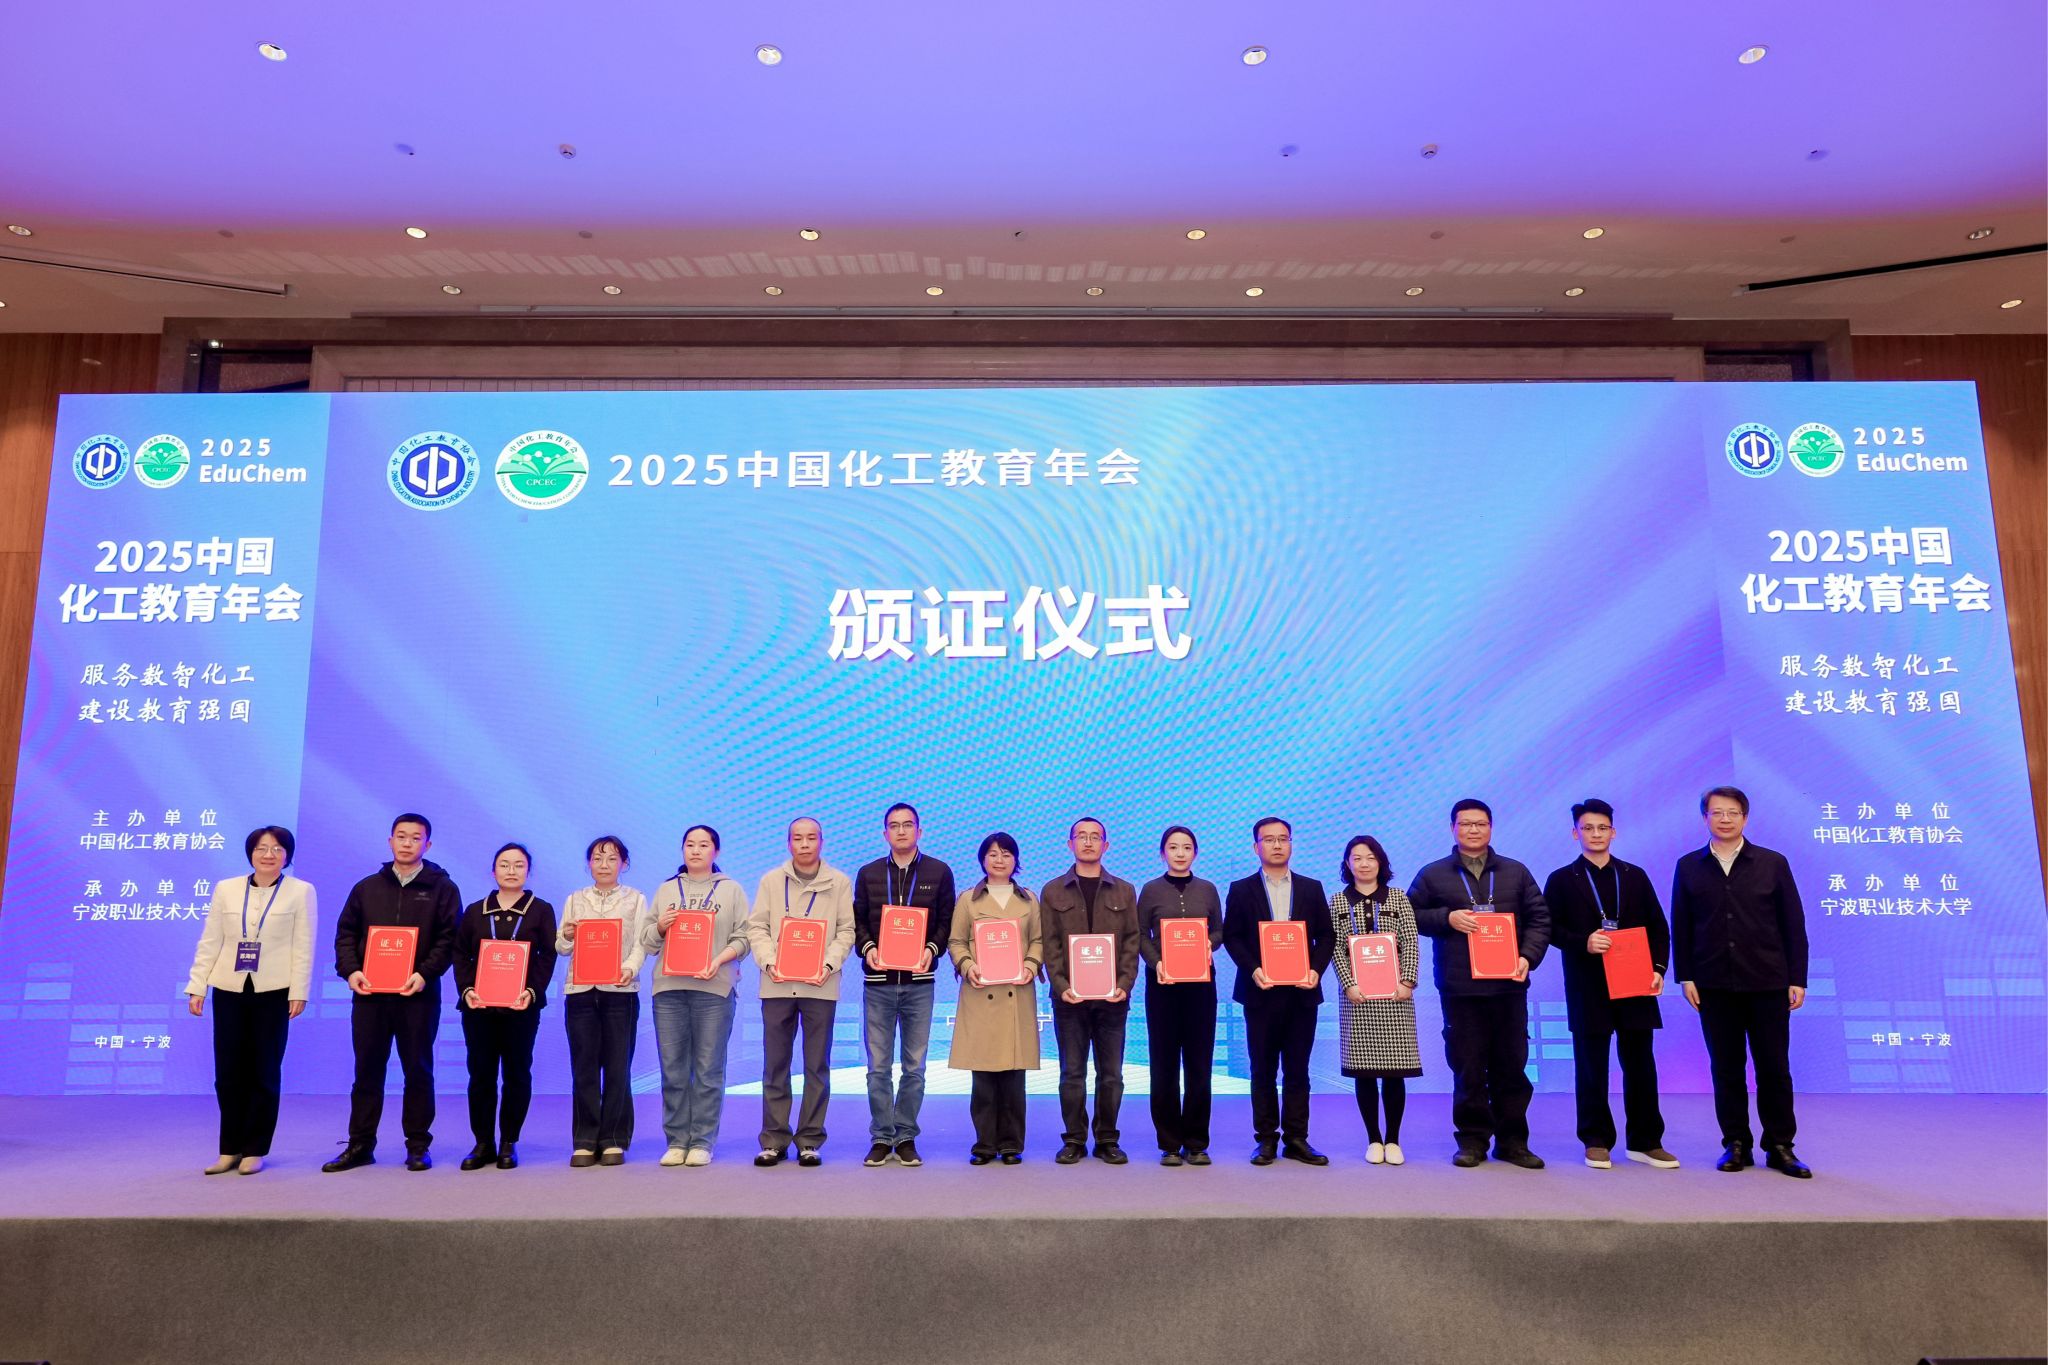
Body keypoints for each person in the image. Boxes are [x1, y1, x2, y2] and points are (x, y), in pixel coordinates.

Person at [1672, 786, 1812, 1178]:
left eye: (1733, 812)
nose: (1725, 819)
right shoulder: (1689, 866)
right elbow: (1681, 924)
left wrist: (1797, 978)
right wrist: (1686, 975)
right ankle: (1736, 1143)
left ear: (1745, 818)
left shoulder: (1772, 863)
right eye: (1717, 812)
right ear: (1705, 818)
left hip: (1768, 982)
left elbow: (1793, 924)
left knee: (1774, 1068)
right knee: (1726, 1068)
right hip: (1713, 984)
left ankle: (1780, 1146)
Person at [1410, 799, 1551, 1169]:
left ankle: (1513, 1142)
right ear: (1453, 828)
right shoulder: (1433, 874)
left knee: (1512, 1067)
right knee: (1468, 1067)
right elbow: (1409, 915)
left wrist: (1527, 957)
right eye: (1466, 823)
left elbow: (1540, 918)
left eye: (1481, 824)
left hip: (1508, 986)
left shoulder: (1516, 872)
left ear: (1491, 827)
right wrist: (1446, 918)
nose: (1473, 830)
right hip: (1460, 988)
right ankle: (1472, 1141)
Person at [1542, 799, 1678, 1171]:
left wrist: (1658, 969)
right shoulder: (1561, 879)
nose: (1596, 834)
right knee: (1591, 1066)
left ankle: (1646, 1141)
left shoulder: (1634, 875)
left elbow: (1658, 927)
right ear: (1575, 834)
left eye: (1603, 828)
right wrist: (1582, 942)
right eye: (1587, 828)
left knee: (1640, 1064)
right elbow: (1548, 928)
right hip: (1587, 985)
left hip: (1635, 982)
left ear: (1613, 832)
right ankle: (1596, 1140)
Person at [325, 812, 462, 1172]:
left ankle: (418, 1146)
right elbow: (346, 934)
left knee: (418, 1070)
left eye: (416, 838)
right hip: (369, 995)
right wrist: (351, 971)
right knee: (367, 1071)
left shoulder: (443, 889)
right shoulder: (367, 887)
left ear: (427, 845)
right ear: (390, 841)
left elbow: (450, 939)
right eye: (401, 836)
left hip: (418, 995)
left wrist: (424, 973)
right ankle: (360, 1145)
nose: (407, 843)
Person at [185, 825, 315, 1175]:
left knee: (264, 1070)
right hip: (228, 989)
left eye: (277, 848)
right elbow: (210, 940)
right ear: (250, 853)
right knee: (227, 1072)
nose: (268, 854)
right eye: (261, 848)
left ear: (287, 855)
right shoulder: (226, 889)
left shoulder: (301, 891)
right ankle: (229, 1148)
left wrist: (299, 990)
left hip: (274, 990)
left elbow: (304, 945)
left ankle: (255, 1149)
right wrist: (198, 985)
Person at [850, 802, 958, 1168]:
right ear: (885, 834)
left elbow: (946, 920)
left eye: (907, 825)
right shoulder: (868, 873)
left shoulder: (939, 871)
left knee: (915, 1067)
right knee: (877, 1067)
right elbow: (858, 920)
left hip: (919, 983)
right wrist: (869, 948)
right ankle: (882, 1137)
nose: (901, 831)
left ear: (919, 831)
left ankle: (906, 1135)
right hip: (878, 982)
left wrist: (931, 949)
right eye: (894, 826)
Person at [1222, 817, 1333, 1166]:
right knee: (1262, 1069)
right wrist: (1253, 969)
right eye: (1268, 840)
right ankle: (1266, 1139)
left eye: (1283, 839)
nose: (1277, 845)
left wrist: (1315, 970)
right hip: (1260, 991)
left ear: (1291, 844)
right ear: (1256, 847)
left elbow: (1326, 935)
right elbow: (1232, 936)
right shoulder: (1241, 889)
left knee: (1298, 1070)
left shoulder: (1311, 888)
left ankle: (1297, 1139)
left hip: (1302, 992)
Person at [747, 817, 856, 1166]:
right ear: (789, 843)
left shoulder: (839, 882)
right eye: (798, 838)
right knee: (775, 1065)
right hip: (777, 984)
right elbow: (757, 927)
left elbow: (847, 930)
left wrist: (828, 965)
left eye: (811, 838)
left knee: (816, 1066)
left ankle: (810, 1140)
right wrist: (769, 962)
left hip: (820, 986)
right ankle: (774, 1139)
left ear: (822, 842)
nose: (805, 844)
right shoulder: (770, 881)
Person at [641, 825, 749, 1167]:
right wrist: (661, 926)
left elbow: (744, 938)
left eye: (704, 845)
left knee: (708, 1069)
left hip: (714, 988)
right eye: (690, 844)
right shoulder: (666, 889)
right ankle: (676, 1141)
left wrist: (718, 960)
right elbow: (647, 941)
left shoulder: (731, 890)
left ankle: (702, 1141)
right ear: (682, 850)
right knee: (673, 1069)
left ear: (716, 851)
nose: (696, 850)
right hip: (669, 990)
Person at [1039, 817, 1141, 1165]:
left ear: (1105, 845)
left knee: (1111, 1074)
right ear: (1070, 844)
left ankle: (1107, 1139)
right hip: (1070, 1000)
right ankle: (1074, 1139)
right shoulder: (1053, 890)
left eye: (1095, 837)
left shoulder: (1124, 890)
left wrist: (1124, 984)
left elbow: (1132, 942)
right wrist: (1062, 986)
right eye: (1081, 837)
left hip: (1113, 999)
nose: (1088, 842)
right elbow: (1050, 944)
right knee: (1072, 1073)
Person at [451, 843, 558, 1171]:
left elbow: (547, 955)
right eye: (504, 864)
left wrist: (532, 991)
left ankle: (509, 1141)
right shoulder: (475, 911)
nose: (511, 871)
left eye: (519, 865)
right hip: (479, 1007)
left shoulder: (541, 910)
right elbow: (461, 954)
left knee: (517, 1073)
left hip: (521, 1007)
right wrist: (467, 989)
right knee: (480, 1074)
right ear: (493, 871)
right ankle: (483, 1142)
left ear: (528, 871)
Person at [947, 832, 1044, 1165]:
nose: (999, 860)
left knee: (1014, 1079)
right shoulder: (968, 900)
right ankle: (985, 1145)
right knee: (984, 1079)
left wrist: (1031, 965)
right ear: (982, 860)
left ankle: (1012, 1145)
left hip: (1017, 992)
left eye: (1006, 854)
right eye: (992, 854)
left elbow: (1039, 940)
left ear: (1016, 860)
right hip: (981, 994)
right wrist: (967, 965)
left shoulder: (1029, 900)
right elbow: (956, 941)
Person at [1327, 835, 1421, 1166]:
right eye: (1357, 858)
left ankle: (1393, 1139)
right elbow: (1334, 947)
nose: (1364, 864)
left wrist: (1408, 980)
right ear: (1347, 864)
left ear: (1381, 862)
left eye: (1370, 857)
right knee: (1364, 1072)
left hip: (1395, 995)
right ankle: (1373, 1139)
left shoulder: (1398, 897)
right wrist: (1348, 984)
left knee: (1394, 1072)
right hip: (1358, 997)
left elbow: (1410, 941)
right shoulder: (1337, 901)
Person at [557, 835, 647, 1167]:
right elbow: (561, 946)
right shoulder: (575, 899)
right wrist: (567, 936)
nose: (604, 865)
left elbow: (641, 943)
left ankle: (613, 1139)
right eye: (597, 858)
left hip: (620, 992)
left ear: (624, 863)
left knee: (618, 1067)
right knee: (583, 1067)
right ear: (589, 864)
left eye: (612, 859)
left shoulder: (636, 899)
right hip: (580, 991)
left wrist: (630, 968)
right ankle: (584, 1139)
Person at [1136, 825, 1223, 1165]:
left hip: (1201, 986)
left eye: (1187, 847)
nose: (1180, 853)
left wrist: (1208, 944)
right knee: (1164, 1065)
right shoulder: (1150, 890)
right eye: (1173, 847)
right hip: (1163, 986)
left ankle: (1197, 1142)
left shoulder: (1208, 889)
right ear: (1163, 853)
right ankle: (1170, 1143)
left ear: (1195, 853)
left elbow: (1219, 930)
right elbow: (1140, 934)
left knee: (1200, 1064)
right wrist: (1156, 962)